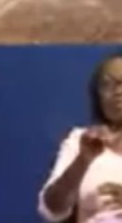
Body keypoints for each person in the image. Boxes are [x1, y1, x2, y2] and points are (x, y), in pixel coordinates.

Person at [38, 51, 122, 222]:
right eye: (107, 84)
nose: (117, 91)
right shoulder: (79, 141)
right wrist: (82, 161)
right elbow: (52, 209)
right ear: (97, 96)